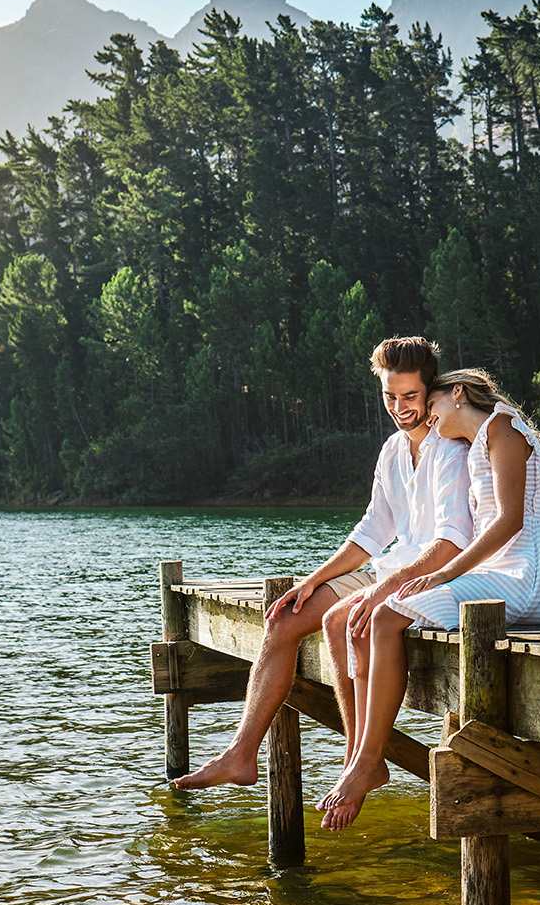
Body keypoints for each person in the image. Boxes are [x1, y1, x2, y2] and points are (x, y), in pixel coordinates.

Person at [172, 337, 473, 791]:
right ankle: (241, 754)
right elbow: (372, 531)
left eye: (409, 396)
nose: (399, 406)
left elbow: (453, 542)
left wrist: (378, 591)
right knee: (284, 619)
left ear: (429, 391)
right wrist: (313, 580)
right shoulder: (393, 450)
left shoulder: (452, 449)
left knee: (342, 620)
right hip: (389, 568)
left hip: (431, 576)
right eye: (390, 396)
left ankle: (361, 761)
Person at [317, 368, 540, 830]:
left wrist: (445, 573)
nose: (429, 422)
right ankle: (364, 758)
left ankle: (370, 760)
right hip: (498, 574)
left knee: (388, 615)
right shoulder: (476, 448)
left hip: (527, 578)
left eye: (432, 409)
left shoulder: (505, 428)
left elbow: (510, 521)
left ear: (456, 394)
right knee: (368, 615)